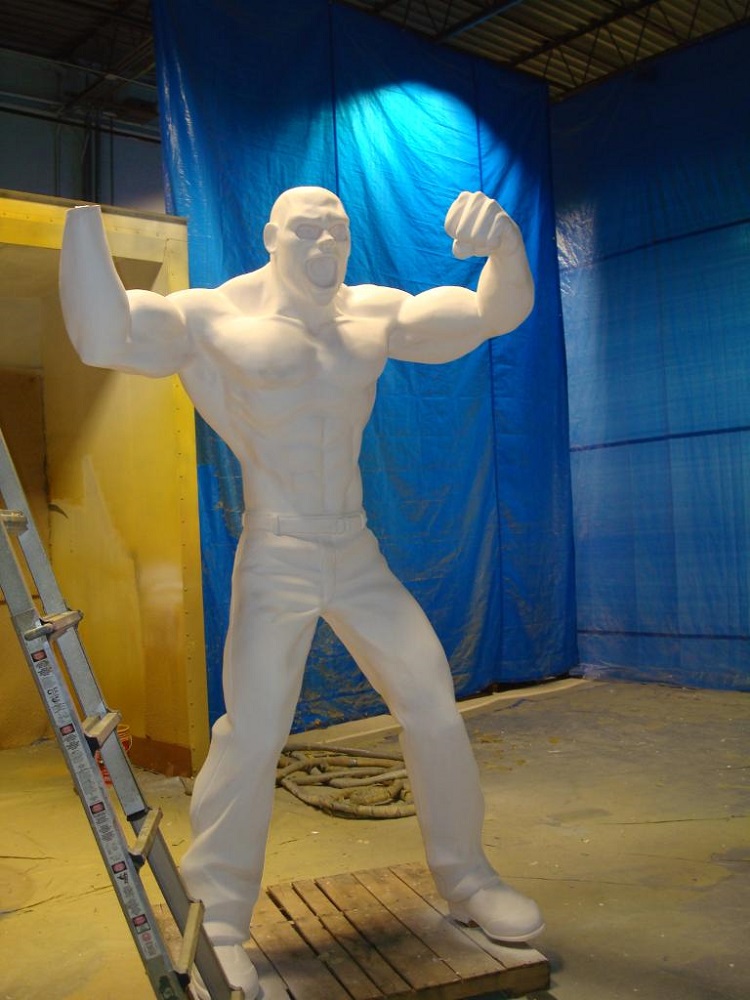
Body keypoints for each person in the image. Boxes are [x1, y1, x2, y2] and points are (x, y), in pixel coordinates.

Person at [59, 186, 543, 999]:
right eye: (308, 230)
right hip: (277, 549)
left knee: (431, 701)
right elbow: (105, 335)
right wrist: (82, 227)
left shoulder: (371, 312)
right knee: (252, 731)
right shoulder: (215, 316)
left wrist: (505, 247)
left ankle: (467, 877)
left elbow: (490, 313)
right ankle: (219, 917)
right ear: (270, 235)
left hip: (353, 547)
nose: (325, 244)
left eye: (338, 230)